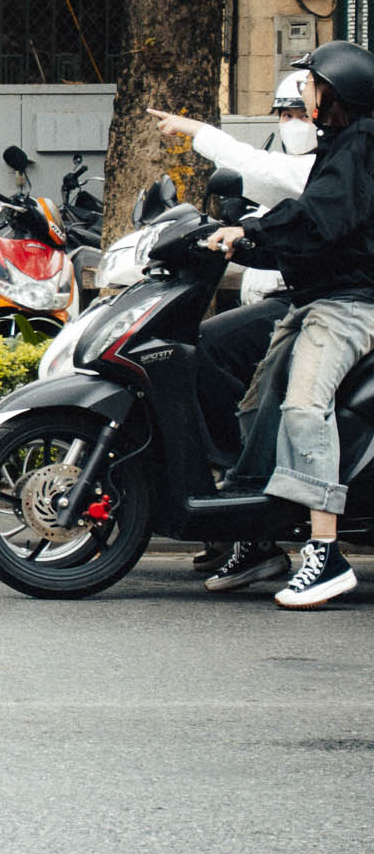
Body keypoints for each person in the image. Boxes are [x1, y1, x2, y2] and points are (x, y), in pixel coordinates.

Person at [202, 42, 374, 609]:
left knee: (303, 407)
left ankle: (325, 554)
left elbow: (320, 219)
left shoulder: (362, 147)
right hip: (315, 298)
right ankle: (257, 536)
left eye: (309, 88)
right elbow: (304, 231)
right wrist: (242, 239)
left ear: (336, 93)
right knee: (256, 407)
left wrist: (253, 235)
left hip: (350, 306)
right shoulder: (339, 146)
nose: (301, 97)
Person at [150, 74, 317, 588]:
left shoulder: (335, 158)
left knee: (215, 351)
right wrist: (233, 234)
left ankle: (243, 497)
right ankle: (237, 506)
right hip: (296, 297)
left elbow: (268, 176)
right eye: (285, 114)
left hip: (320, 303)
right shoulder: (315, 159)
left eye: (300, 112)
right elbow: (263, 194)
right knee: (215, 351)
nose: (291, 123)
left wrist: (199, 131)